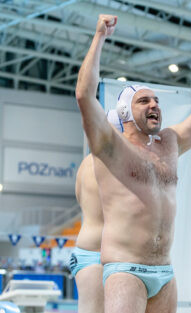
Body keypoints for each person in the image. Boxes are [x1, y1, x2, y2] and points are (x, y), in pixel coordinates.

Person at [75, 14, 191, 313]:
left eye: (156, 100)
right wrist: (99, 37)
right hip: (126, 269)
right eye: (144, 101)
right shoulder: (111, 148)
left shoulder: (170, 143)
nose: (155, 104)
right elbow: (84, 95)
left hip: (165, 272)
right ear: (125, 113)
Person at [69, 110, 123, 313]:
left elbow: (80, 199)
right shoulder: (111, 163)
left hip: (87, 251)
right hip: (95, 256)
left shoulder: (86, 163)